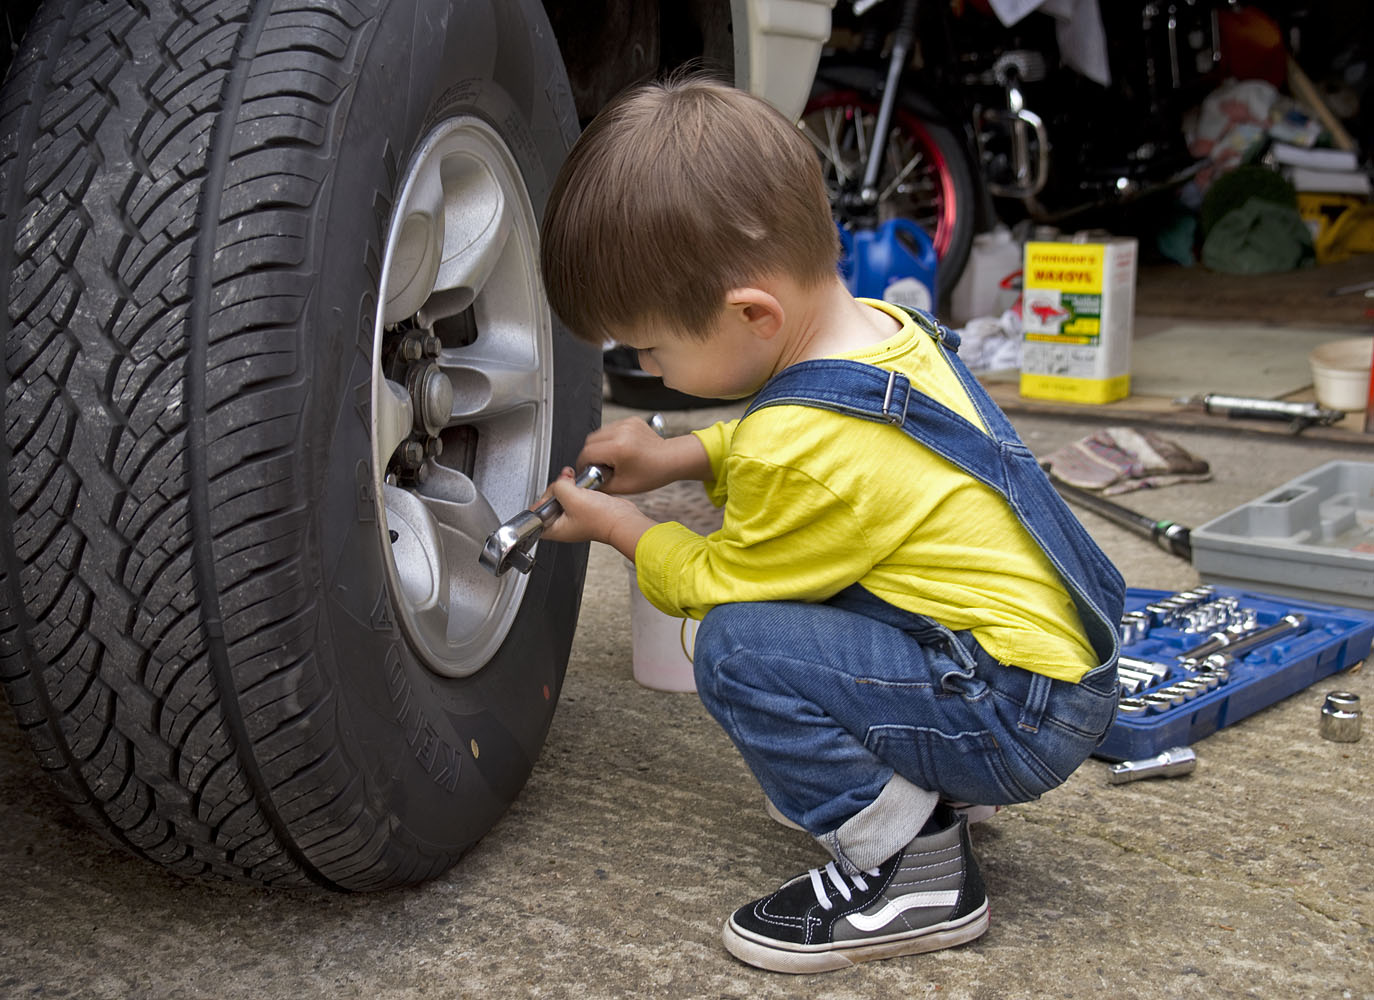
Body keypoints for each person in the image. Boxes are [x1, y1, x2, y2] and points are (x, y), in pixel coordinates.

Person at [536, 75, 1125, 974]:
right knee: (825, 596)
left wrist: (620, 525)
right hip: (1051, 672)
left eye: (651, 349)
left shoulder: (795, 448)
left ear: (750, 315)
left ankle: (914, 869)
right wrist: (684, 456)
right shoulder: (887, 333)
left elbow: (713, 577)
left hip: (1012, 717)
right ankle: (935, 777)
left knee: (738, 647)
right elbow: (811, 444)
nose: (646, 366)